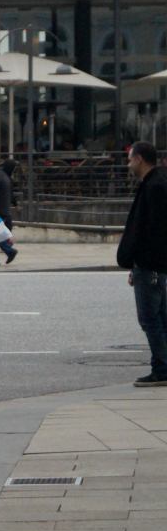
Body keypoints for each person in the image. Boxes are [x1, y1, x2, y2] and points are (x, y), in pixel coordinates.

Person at [117, 142, 167, 386]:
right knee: (159, 316)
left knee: (150, 317)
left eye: (129, 159)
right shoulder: (155, 183)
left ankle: (162, 368)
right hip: (151, 263)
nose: (128, 164)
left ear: (139, 159)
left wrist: (140, 261)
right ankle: (163, 365)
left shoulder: (155, 186)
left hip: (152, 264)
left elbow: (151, 230)